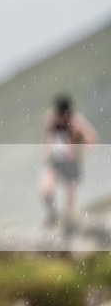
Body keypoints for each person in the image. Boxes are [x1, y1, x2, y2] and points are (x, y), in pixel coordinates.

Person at [38, 93, 98, 236]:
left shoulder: (76, 121)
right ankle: (53, 216)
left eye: (64, 114)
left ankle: (69, 225)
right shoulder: (52, 119)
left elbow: (92, 139)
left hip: (72, 163)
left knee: (70, 196)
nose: (63, 117)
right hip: (55, 161)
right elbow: (47, 135)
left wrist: (79, 140)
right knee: (45, 189)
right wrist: (46, 150)